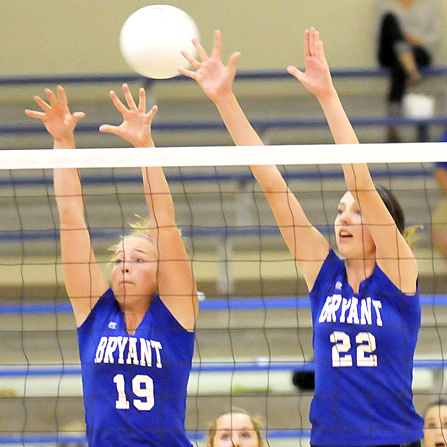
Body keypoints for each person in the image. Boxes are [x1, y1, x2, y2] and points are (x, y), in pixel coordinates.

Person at [180, 28, 424, 446]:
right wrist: (224, 99)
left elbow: (361, 181)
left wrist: (328, 96)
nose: (343, 219)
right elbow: (273, 185)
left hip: (392, 440)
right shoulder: (324, 274)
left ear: (386, 227)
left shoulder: (400, 274)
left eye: (357, 212)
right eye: (339, 210)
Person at [25, 84, 198, 447]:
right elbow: (71, 217)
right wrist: (63, 143)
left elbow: (164, 220)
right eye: (119, 259)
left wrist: (144, 147)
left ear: (159, 273)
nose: (123, 266)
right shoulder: (95, 311)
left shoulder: (176, 314)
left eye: (138, 260)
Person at [376, 0, 442, 142]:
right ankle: (410, 67)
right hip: (391, 53)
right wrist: (401, 39)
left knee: (400, 68)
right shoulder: (385, 4)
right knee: (390, 19)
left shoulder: (428, 5)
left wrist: (416, 40)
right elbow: (380, 32)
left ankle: (392, 128)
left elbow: (436, 35)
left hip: (418, 51)